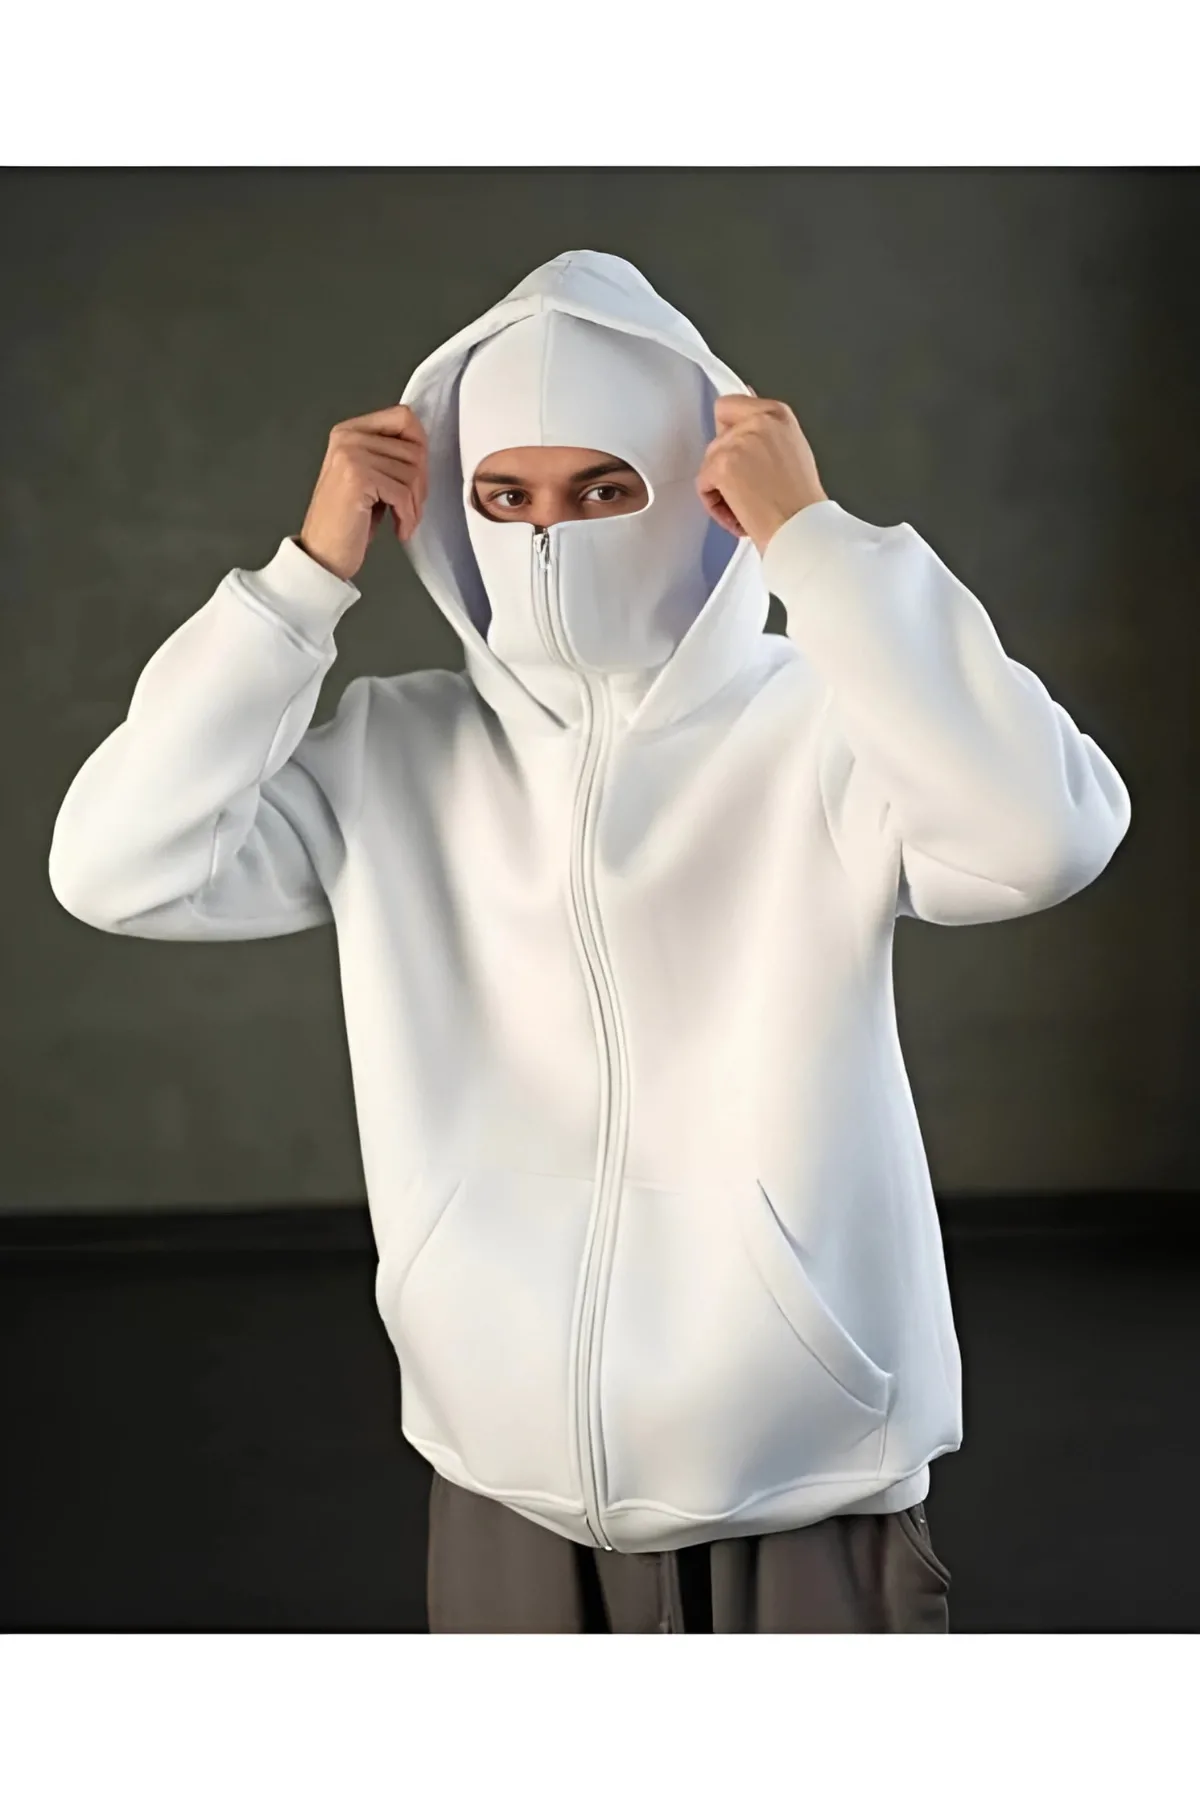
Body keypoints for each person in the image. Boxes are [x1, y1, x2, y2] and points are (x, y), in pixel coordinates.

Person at [48, 248, 1132, 1633]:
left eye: (606, 489)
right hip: (500, 1473)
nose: (550, 535)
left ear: (703, 496)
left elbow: (1045, 835)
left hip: (806, 1467)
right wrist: (300, 586)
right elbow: (115, 868)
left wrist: (819, 546)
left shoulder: (829, 728)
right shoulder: (394, 753)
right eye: (506, 496)